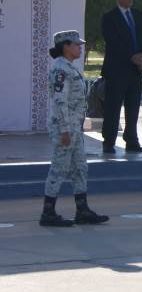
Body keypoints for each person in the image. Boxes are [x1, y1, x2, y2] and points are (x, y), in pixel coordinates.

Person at [41, 31, 108, 227]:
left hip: (74, 128)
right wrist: (64, 130)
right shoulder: (61, 69)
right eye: (77, 45)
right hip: (66, 128)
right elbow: (60, 101)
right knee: (59, 169)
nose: (80, 48)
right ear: (66, 46)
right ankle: (48, 213)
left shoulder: (69, 67)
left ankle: (82, 210)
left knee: (80, 168)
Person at [100, 0, 142, 153]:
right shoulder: (109, 17)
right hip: (117, 70)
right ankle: (109, 141)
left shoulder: (139, 15)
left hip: (136, 70)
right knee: (113, 107)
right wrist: (132, 56)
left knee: (133, 108)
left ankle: (132, 140)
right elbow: (113, 41)